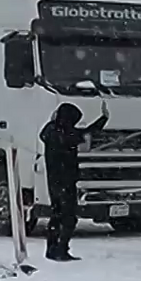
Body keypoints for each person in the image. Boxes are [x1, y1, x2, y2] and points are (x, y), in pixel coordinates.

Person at [40, 100, 109, 261]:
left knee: (56, 214)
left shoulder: (50, 130)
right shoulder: (66, 135)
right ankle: (61, 248)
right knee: (69, 217)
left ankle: (51, 248)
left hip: (53, 180)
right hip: (66, 181)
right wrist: (103, 119)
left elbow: (82, 133)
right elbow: (86, 133)